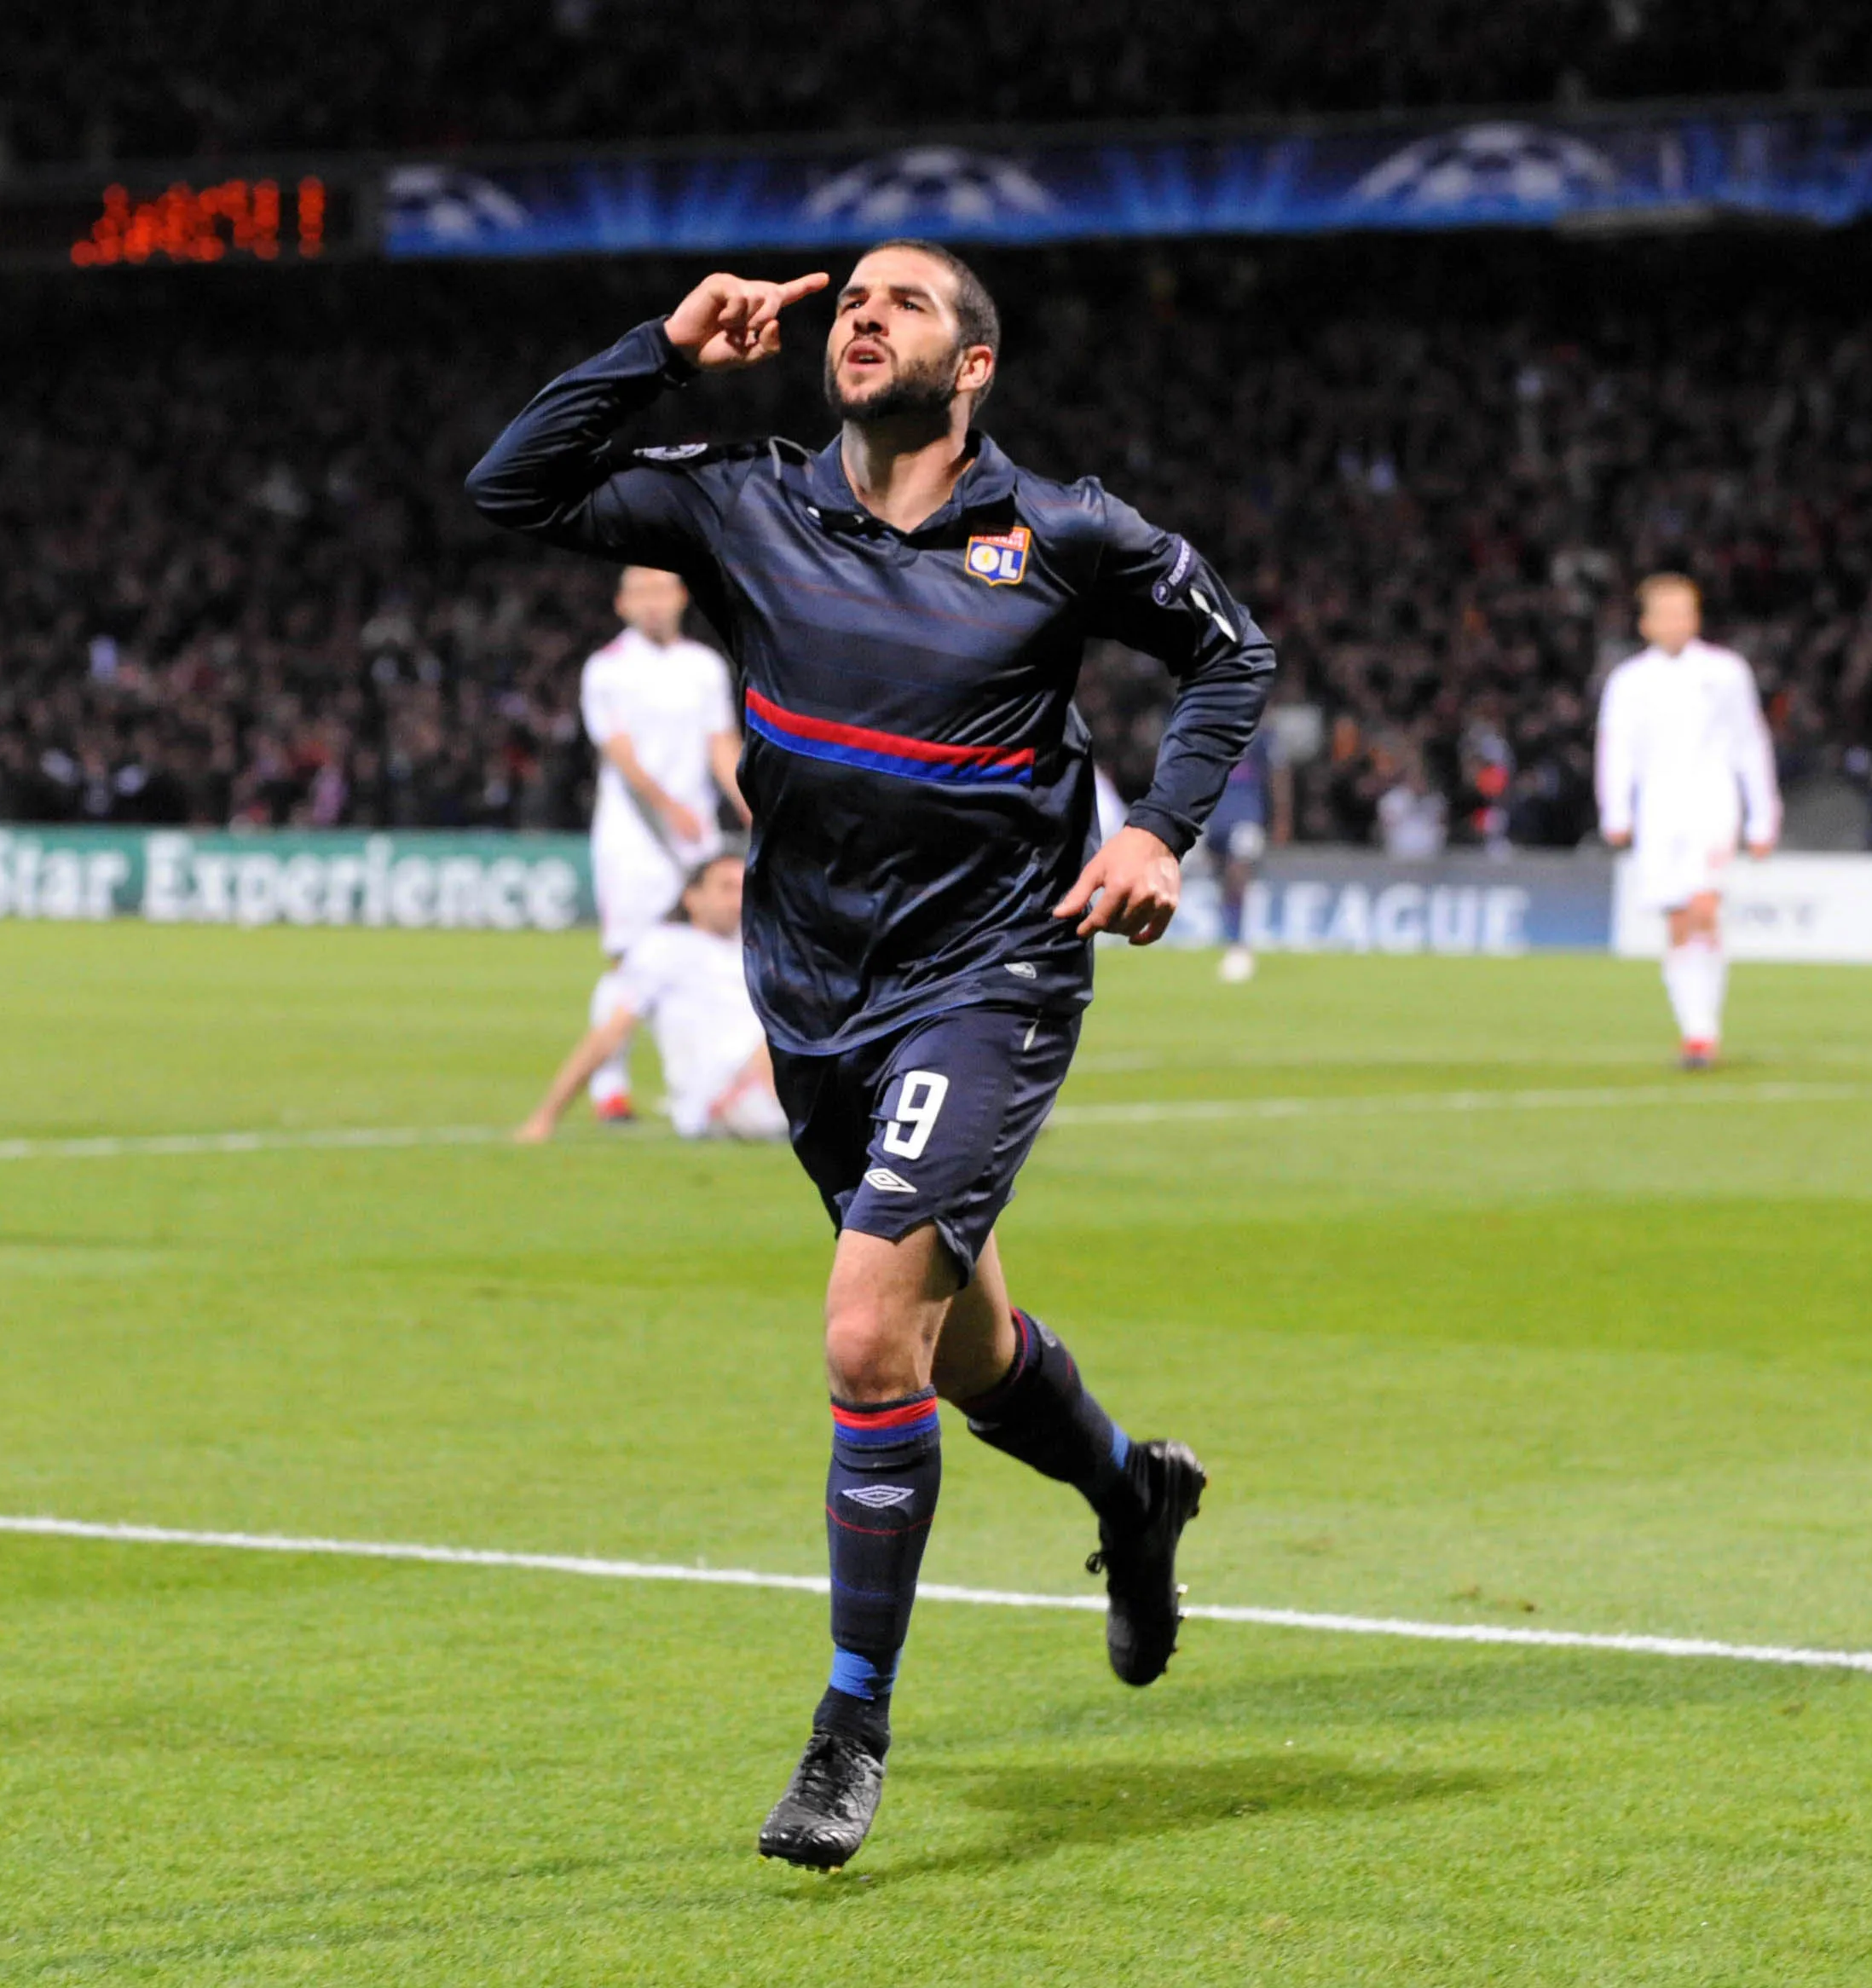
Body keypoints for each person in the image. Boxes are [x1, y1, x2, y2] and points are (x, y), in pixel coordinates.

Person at [469, 242, 1275, 1869]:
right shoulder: (744, 500)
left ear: (971, 364)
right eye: (852, 299)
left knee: (858, 1336)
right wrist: (663, 350)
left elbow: (1229, 652)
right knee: (951, 1343)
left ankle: (846, 1731)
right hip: (813, 990)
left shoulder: (1062, 530)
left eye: (903, 302)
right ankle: (1128, 1492)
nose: (861, 314)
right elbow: (515, 487)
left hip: (992, 970)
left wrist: (1161, 832)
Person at [580, 566, 748, 1122]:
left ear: (681, 597)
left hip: (696, 839)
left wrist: (746, 802)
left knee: (717, 949)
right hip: (634, 837)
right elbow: (620, 754)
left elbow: (720, 743)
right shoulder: (606, 669)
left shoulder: (702, 668)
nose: (652, 604)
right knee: (630, 956)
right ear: (622, 604)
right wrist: (667, 805)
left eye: (662, 592)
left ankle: (714, 1078)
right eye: (640, 594)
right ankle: (611, 1089)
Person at [1595, 575, 1779, 1070]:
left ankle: (1705, 1032)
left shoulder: (1725, 671)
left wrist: (1763, 814)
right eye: (1668, 612)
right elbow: (1617, 749)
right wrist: (1616, 809)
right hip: (1658, 810)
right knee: (1677, 920)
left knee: (1703, 907)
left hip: (1713, 803)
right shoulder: (1629, 681)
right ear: (1646, 623)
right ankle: (1694, 1032)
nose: (1679, 621)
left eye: (1686, 611)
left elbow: (1750, 741)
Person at [517, 851, 784, 1144]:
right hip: (728, 1094)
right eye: (726, 888)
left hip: (775, 1073)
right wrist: (546, 1116)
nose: (738, 899)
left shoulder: (758, 950)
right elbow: (610, 1034)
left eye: (743, 888)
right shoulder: (665, 948)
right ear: (692, 897)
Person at [1210, 725, 1283, 983]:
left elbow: (1277, 775)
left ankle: (1240, 945)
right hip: (1215, 813)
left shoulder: (1261, 733)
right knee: (1222, 880)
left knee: (1237, 874)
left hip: (1247, 813)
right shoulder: (1207, 724)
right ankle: (1231, 939)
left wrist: (1281, 819)